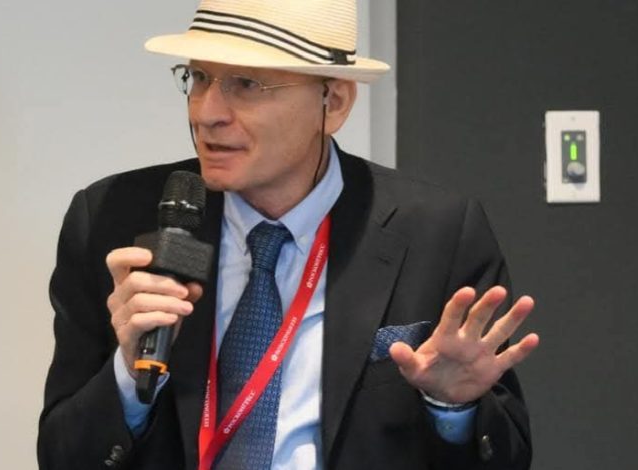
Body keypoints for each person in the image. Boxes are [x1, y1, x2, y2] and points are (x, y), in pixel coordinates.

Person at [37, 1, 540, 469]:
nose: (206, 112)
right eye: (199, 77)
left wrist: (452, 409)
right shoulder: (112, 219)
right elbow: (61, 456)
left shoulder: (437, 231)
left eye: (246, 84)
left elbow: (508, 458)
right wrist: (128, 375)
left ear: (333, 102)